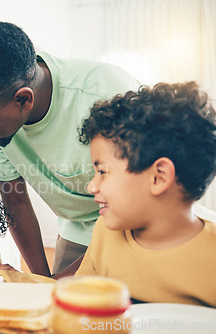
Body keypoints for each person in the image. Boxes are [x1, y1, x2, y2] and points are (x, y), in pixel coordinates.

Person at [0, 21, 140, 276]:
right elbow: (15, 200)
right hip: (76, 230)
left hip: (136, 226)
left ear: (23, 100)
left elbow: (139, 203)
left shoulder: (106, 95)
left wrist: (56, 285)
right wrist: (40, 281)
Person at [73, 82, 216, 306]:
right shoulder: (105, 234)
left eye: (102, 172)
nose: (91, 186)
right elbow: (79, 306)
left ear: (158, 177)